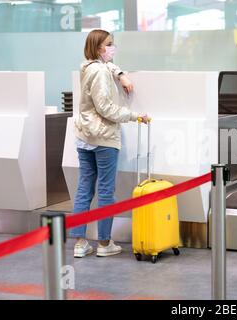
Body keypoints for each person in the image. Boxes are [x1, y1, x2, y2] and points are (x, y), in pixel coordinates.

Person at [70, 29, 149, 258]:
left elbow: (108, 66)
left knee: (84, 188)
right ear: (98, 48)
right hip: (104, 138)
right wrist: (135, 116)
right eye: (109, 44)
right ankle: (104, 243)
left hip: (85, 137)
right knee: (105, 190)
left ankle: (80, 242)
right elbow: (105, 108)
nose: (112, 48)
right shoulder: (101, 73)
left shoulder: (87, 67)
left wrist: (120, 72)